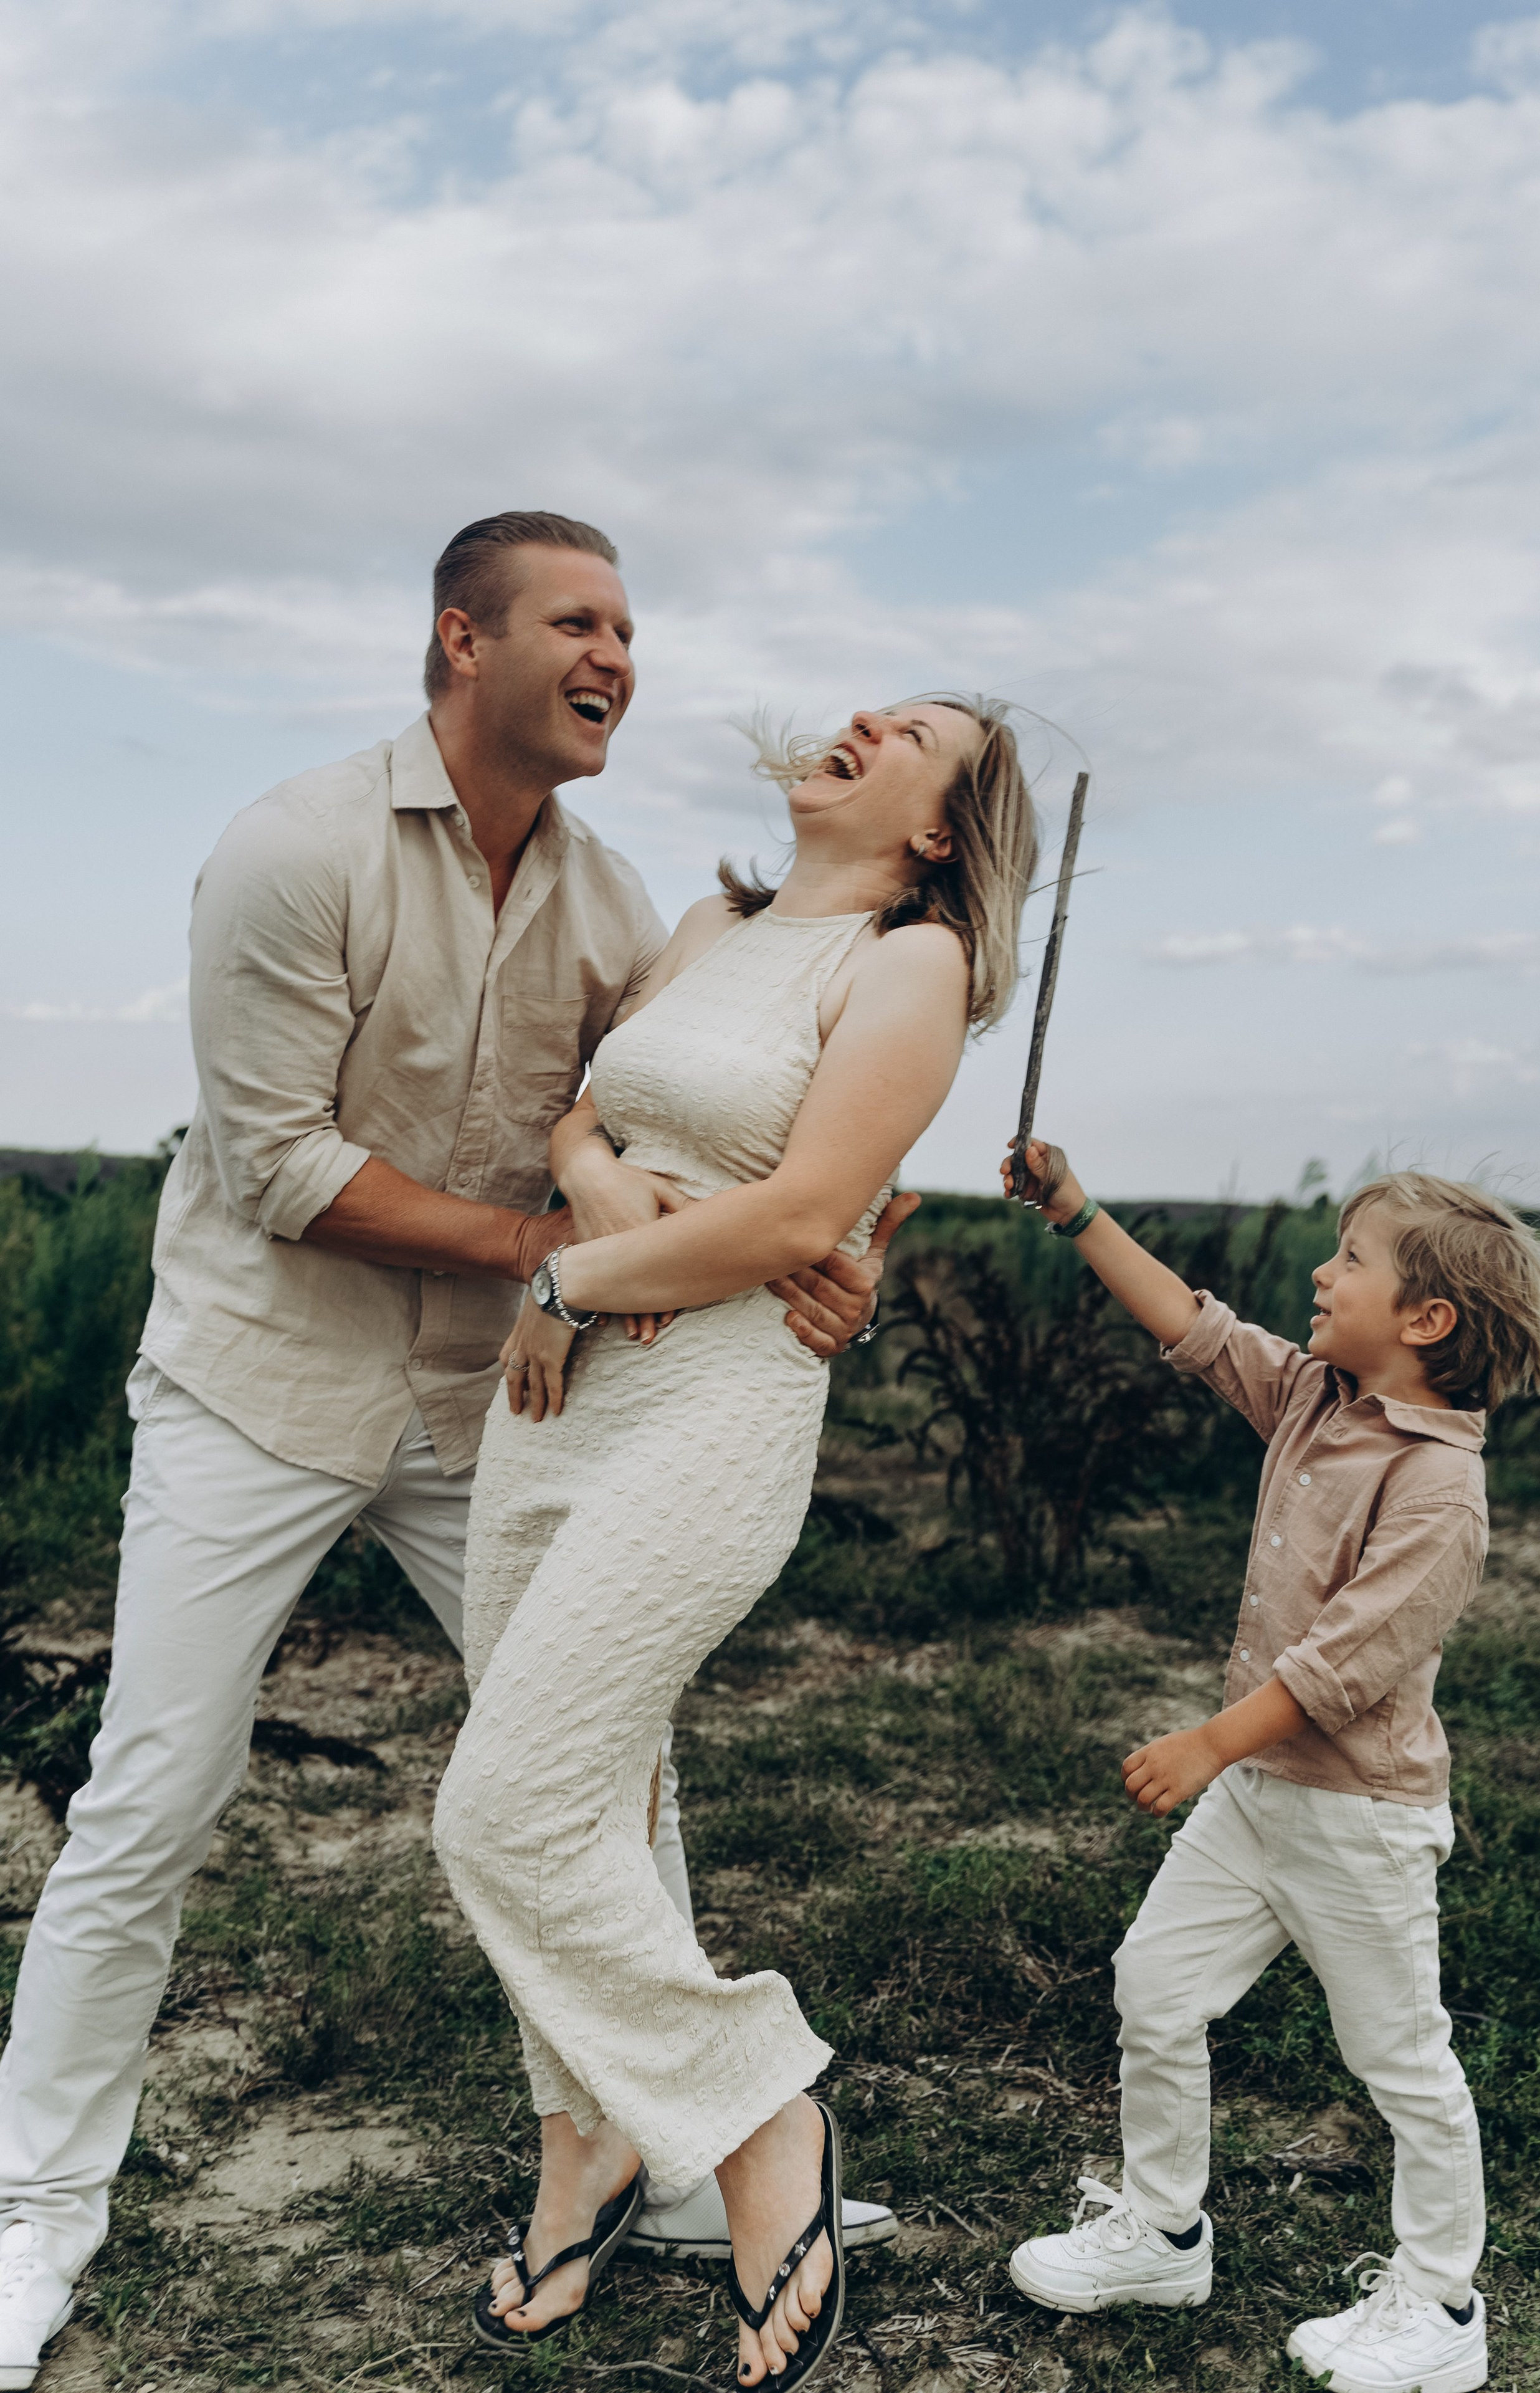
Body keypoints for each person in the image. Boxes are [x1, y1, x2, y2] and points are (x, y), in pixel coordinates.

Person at [0, 512, 905, 2389]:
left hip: (507, 1403)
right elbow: (282, 1167)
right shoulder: (296, 846)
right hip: (263, 1384)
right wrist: (556, 1253)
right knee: (153, 1794)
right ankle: (34, 2212)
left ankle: (656, 2142)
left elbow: (664, 1138)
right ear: (457, 641)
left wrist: (826, 1263)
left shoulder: (616, 897)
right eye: (580, 621)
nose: (621, 658)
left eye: (634, 629)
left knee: (604, 1774)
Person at [432, 694, 1040, 2386]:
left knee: (505, 1807)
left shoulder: (912, 969)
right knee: (597, 1796)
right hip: (556, 1404)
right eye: (870, 698)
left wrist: (566, 1269)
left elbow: (794, 1219)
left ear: (939, 829)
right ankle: (589, 2137)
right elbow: (585, 1112)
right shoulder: (716, 922)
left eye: (911, 729)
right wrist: (592, 1190)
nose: (860, 716)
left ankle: (761, 2109)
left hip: (712, 1408)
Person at [1001, 1142, 1540, 2393]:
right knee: (1153, 1987)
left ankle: (1438, 2305)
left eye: (1348, 1261)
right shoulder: (1315, 1395)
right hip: (1258, 1803)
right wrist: (1077, 1213)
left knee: (1397, 2059)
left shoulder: (1438, 1491)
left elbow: (1340, 1669)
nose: (1319, 1275)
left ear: (1423, 1319)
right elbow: (1198, 1333)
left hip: (1356, 1821)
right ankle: (1160, 2232)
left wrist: (1207, 1743)